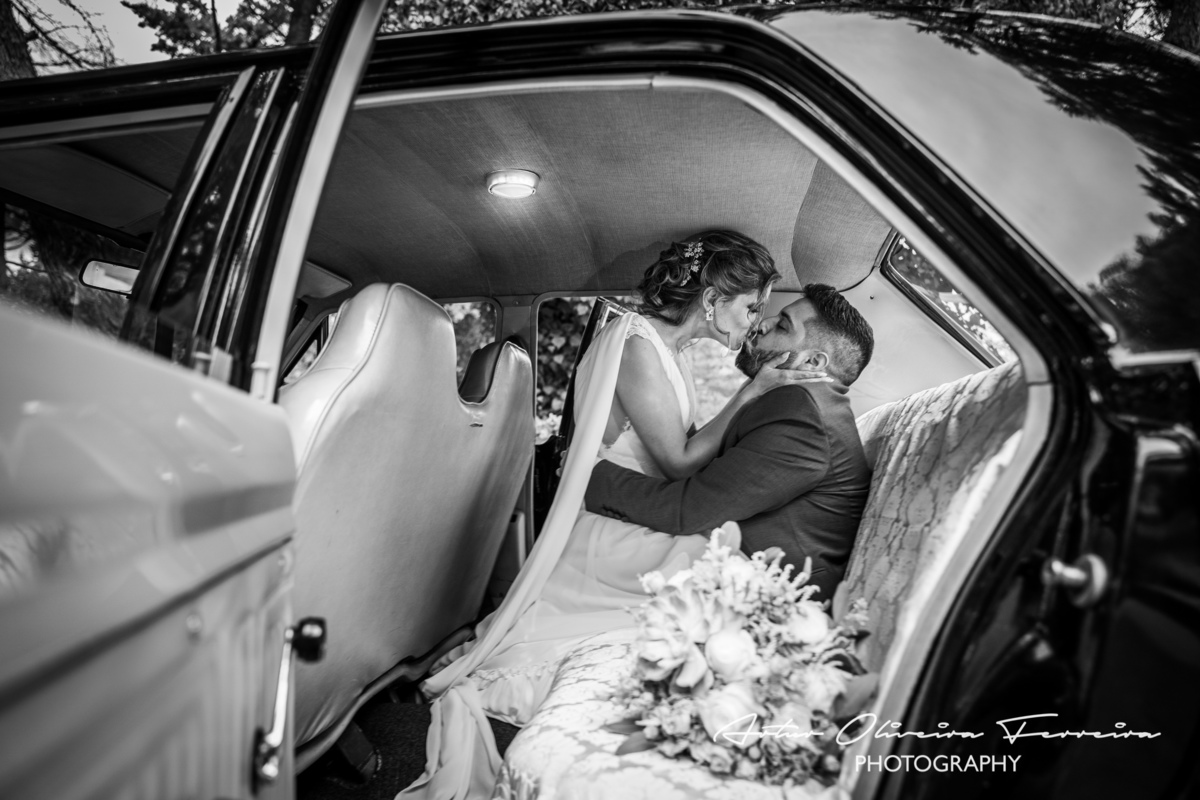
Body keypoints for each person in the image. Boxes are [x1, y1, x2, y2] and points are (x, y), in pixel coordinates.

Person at [400, 231, 825, 800]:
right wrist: (753, 392)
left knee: (719, 551)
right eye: (752, 307)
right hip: (608, 527)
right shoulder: (636, 346)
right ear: (711, 300)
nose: (754, 323)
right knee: (710, 561)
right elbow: (677, 461)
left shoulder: (670, 353)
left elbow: (683, 445)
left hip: (631, 511)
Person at [585, 283, 874, 599]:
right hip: (733, 552)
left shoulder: (806, 419)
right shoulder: (805, 402)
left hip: (768, 592)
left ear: (813, 363)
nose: (762, 324)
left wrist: (585, 476)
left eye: (782, 326)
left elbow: (688, 510)